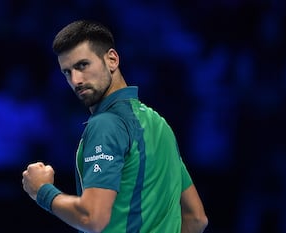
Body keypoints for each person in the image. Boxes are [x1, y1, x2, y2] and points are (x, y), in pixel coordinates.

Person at [22, 19, 208, 233]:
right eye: (67, 72)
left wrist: (42, 191)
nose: (76, 80)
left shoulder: (105, 124)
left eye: (83, 65)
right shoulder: (159, 124)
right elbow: (196, 219)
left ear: (112, 59)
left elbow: (93, 217)